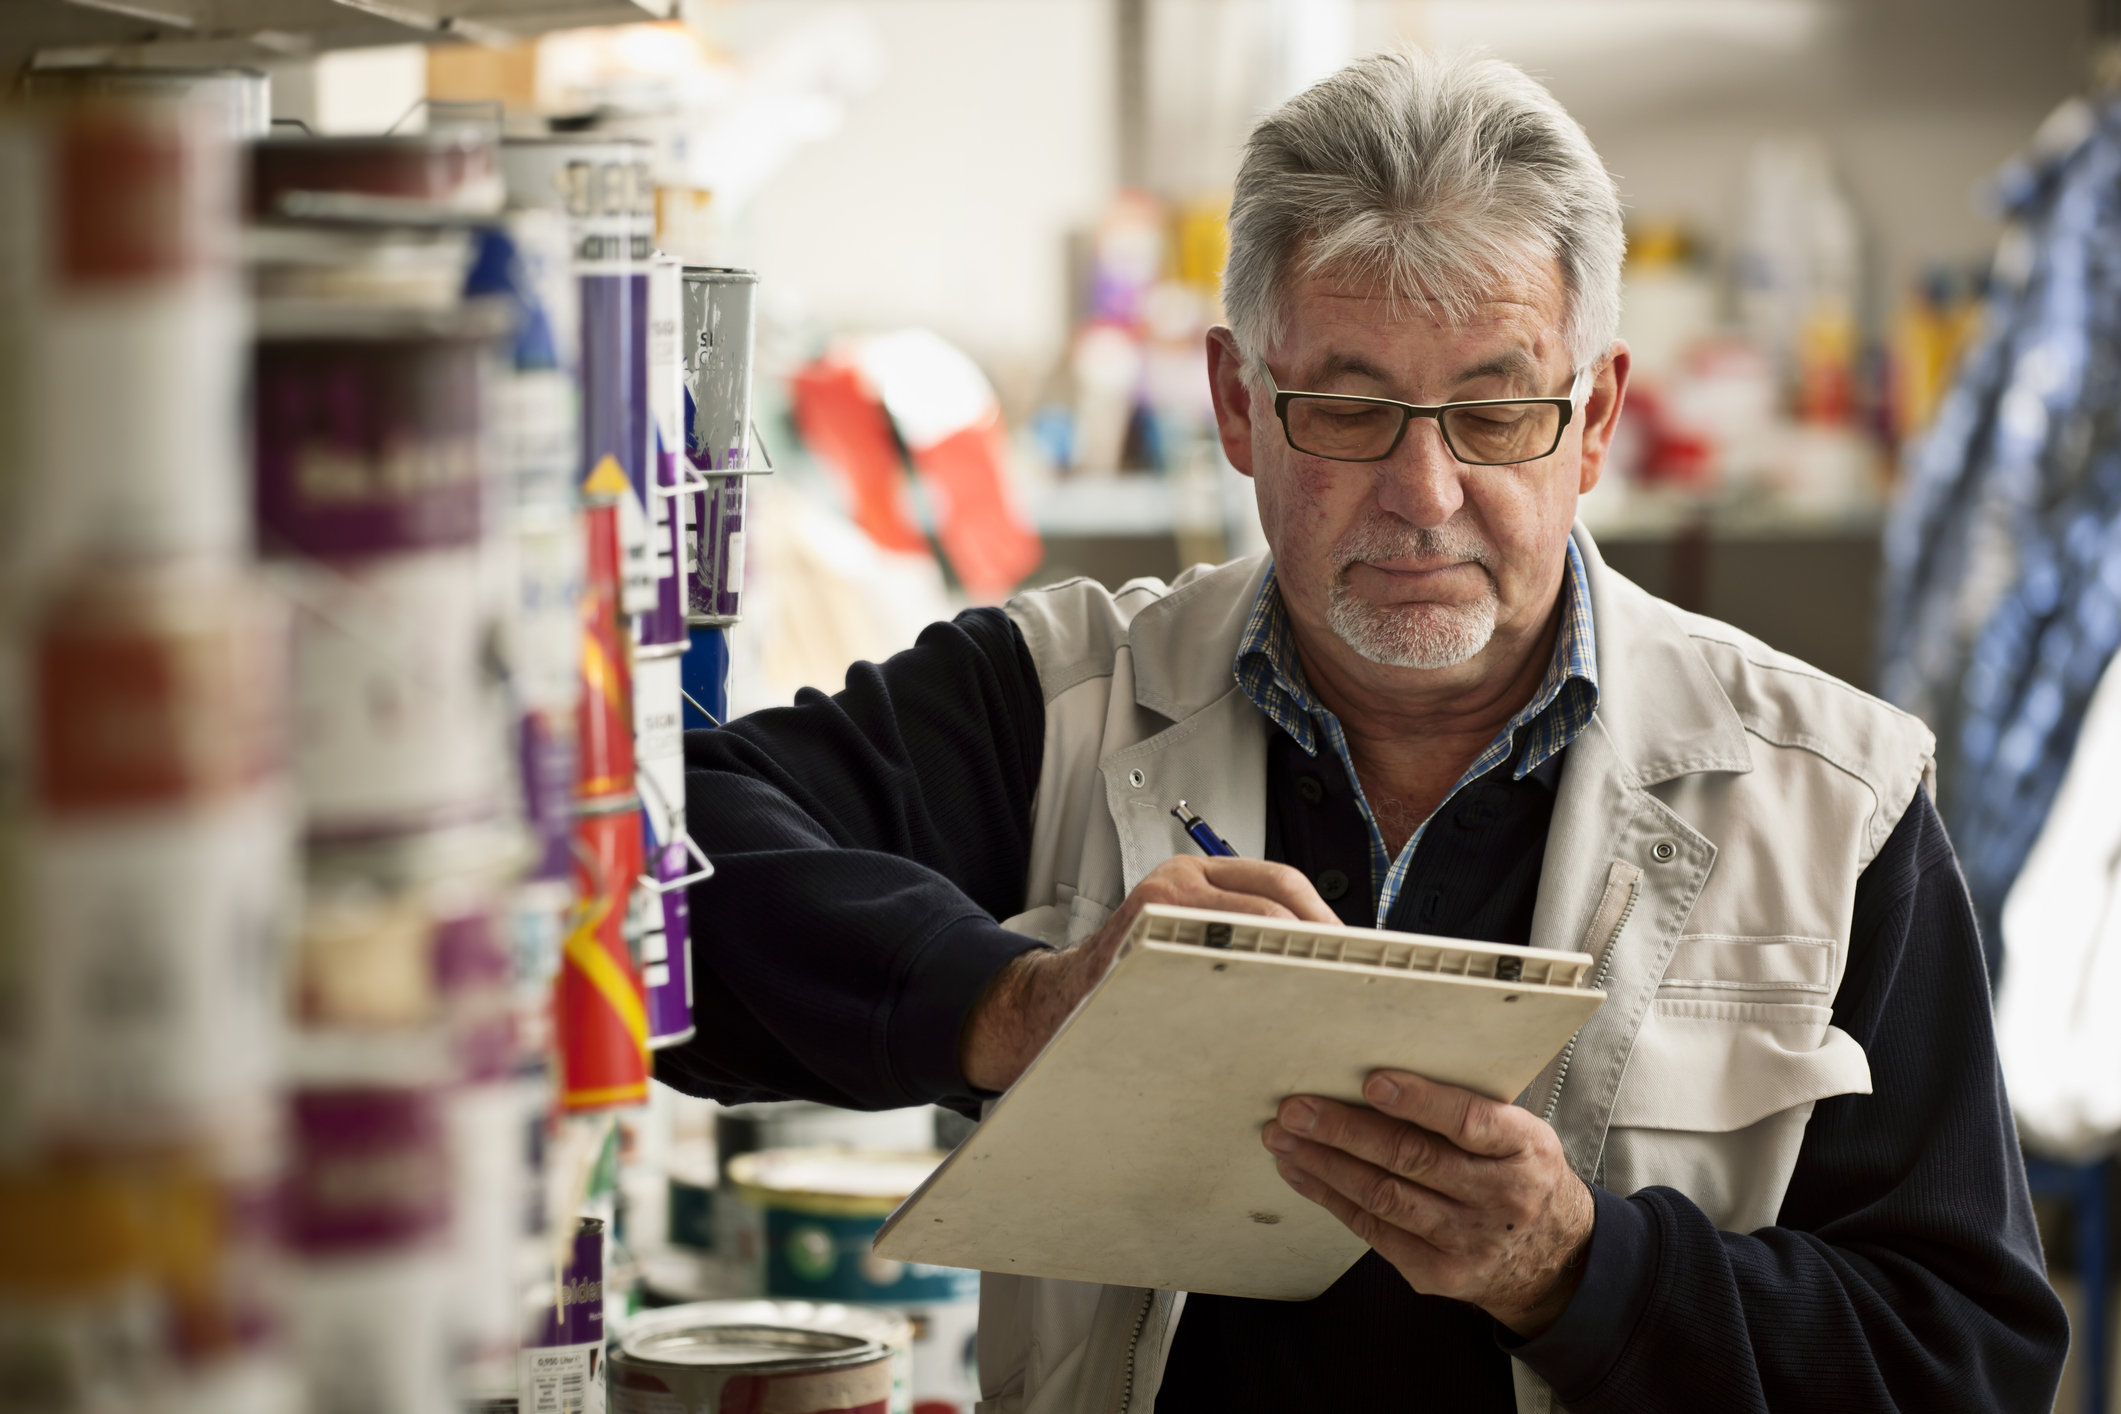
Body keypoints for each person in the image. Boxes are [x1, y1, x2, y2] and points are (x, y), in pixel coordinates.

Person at [659, 49, 2068, 1414]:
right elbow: (657, 862)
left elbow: (1962, 1360)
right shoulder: (1054, 695)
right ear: (1234, 402)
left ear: (1594, 418)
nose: (1423, 492)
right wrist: (1016, 1004)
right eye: (1346, 405)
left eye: (1495, 409)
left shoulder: (1833, 800)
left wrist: (1577, 1270)